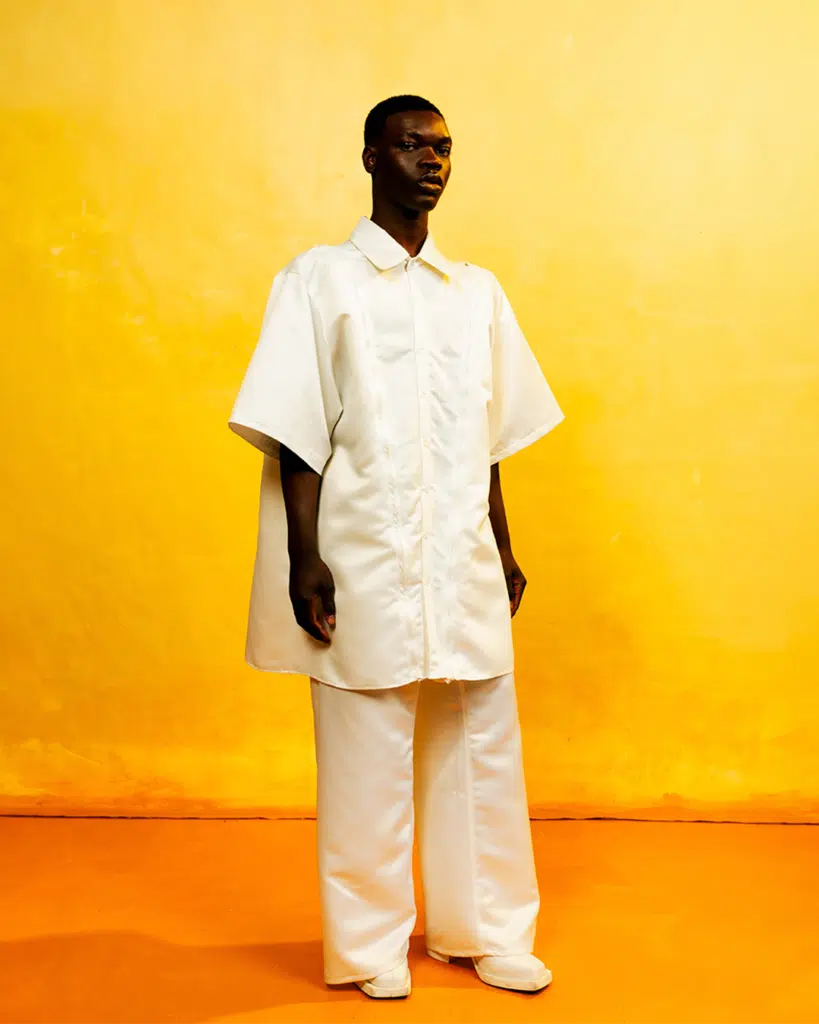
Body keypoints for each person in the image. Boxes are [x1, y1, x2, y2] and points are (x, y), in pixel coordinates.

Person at [228, 94, 564, 999]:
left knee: (478, 742)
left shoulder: (475, 292)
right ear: (370, 157)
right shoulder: (318, 281)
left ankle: (485, 930)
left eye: (444, 146)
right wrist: (303, 554)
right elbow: (299, 430)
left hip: (459, 554)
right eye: (413, 144)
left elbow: (487, 439)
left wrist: (503, 546)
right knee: (366, 744)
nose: (433, 160)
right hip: (361, 549)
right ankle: (373, 946)